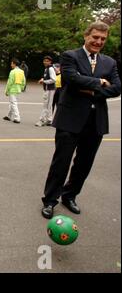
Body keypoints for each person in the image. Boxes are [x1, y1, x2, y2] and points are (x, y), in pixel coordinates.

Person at [41, 21, 121, 219]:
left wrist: (90, 89)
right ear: (86, 36)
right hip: (70, 119)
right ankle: (50, 200)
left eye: (103, 39)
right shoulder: (70, 56)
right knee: (61, 162)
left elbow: (117, 87)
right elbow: (70, 79)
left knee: (84, 164)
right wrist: (100, 83)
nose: (98, 41)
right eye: (95, 37)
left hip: (96, 122)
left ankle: (70, 195)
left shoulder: (109, 62)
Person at [35, 55, 56, 127]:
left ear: (50, 62)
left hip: (50, 90)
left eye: (47, 61)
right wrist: (43, 80)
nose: (45, 62)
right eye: (44, 61)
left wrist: (44, 81)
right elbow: (47, 78)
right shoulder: (46, 69)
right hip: (47, 89)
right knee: (49, 105)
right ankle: (50, 119)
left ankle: (42, 120)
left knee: (46, 105)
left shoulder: (50, 69)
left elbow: (53, 79)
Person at [3, 58, 25, 124]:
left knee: (13, 103)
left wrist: (7, 90)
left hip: (12, 89)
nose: (11, 65)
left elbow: (10, 82)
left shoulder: (12, 72)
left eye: (11, 63)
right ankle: (9, 116)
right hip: (18, 89)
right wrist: (22, 88)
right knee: (12, 103)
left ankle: (17, 118)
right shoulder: (21, 71)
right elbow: (24, 81)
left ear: (14, 64)